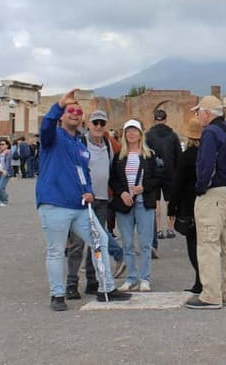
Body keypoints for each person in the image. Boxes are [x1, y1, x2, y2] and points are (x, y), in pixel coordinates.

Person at [35, 89, 131, 311]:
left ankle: (105, 287)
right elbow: (46, 125)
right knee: (57, 250)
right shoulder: (53, 137)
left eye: (78, 112)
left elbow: (83, 172)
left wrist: (88, 190)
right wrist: (59, 104)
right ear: (62, 116)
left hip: (79, 205)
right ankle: (58, 295)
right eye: (70, 111)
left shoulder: (79, 145)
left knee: (101, 241)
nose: (75, 114)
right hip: (54, 203)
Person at [186, 95, 226, 310]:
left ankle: (210, 295)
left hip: (215, 193)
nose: (197, 115)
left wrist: (200, 188)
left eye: (198, 112)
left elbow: (206, 164)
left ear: (207, 113)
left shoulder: (210, 132)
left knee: (208, 244)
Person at [65, 110, 126, 300]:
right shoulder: (79, 143)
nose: (99, 126)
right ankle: (71, 283)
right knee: (77, 243)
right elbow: (72, 170)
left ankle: (93, 281)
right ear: (88, 124)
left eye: (102, 123)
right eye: (95, 123)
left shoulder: (108, 144)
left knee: (97, 242)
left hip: (101, 198)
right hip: (82, 199)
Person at [110, 119, 160, 292]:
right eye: (128, 131)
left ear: (140, 134)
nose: (131, 134)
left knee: (145, 243)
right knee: (128, 243)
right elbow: (113, 179)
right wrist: (122, 192)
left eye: (134, 131)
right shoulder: (119, 156)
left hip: (143, 202)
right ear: (124, 135)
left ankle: (145, 278)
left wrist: (144, 187)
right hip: (125, 203)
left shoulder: (149, 155)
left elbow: (157, 178)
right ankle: (131, 277)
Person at [169, 117, 203, 294]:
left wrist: (171, 207)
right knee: (207, 244)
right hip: (206, 202)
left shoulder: (187, 156)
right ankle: (206, 279)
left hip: (188, 205)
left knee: (193, 244)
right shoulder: (208, 154)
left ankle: (199, 280)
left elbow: (178, 183)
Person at [145, 108, 182, 244]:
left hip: (154, 173)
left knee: (156, 202)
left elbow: (146, 154)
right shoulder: (173, 135)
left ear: (154, 120)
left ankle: (159, 229)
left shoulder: (148, 135)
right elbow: (179, 155)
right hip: (170, 172)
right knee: (169, 200)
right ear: (166, 120)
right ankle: (170, 228)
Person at [0, 139, 12, 206]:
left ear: (7, 145)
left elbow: (8, 163)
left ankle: (4, 201)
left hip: (5, 172)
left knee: (0, 187)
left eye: (3, 144)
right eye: (0, 144)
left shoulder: (9, 152)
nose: (1, 145)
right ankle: (4, 196)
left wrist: (5, 170)